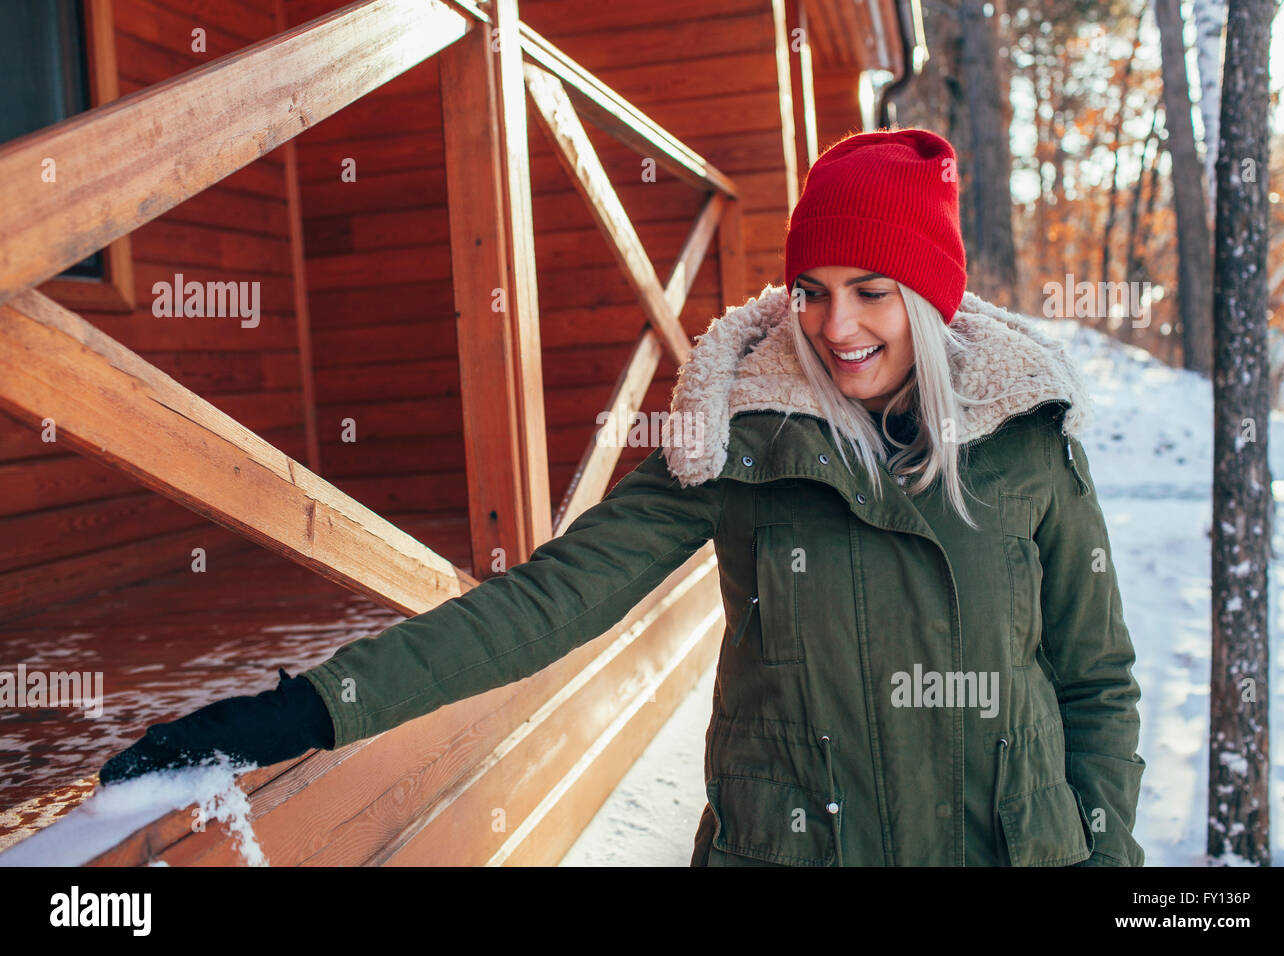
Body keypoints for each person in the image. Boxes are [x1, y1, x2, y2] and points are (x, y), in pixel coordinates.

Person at [100, 128, 1146, 867]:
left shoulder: (1024, 443)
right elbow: (549, 599)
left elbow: (1095, 682)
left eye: (872, 291)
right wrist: (309, 705)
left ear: (926, 296)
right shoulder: (734, 440)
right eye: (812, 291)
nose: (836, 327)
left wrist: (1103, 854)